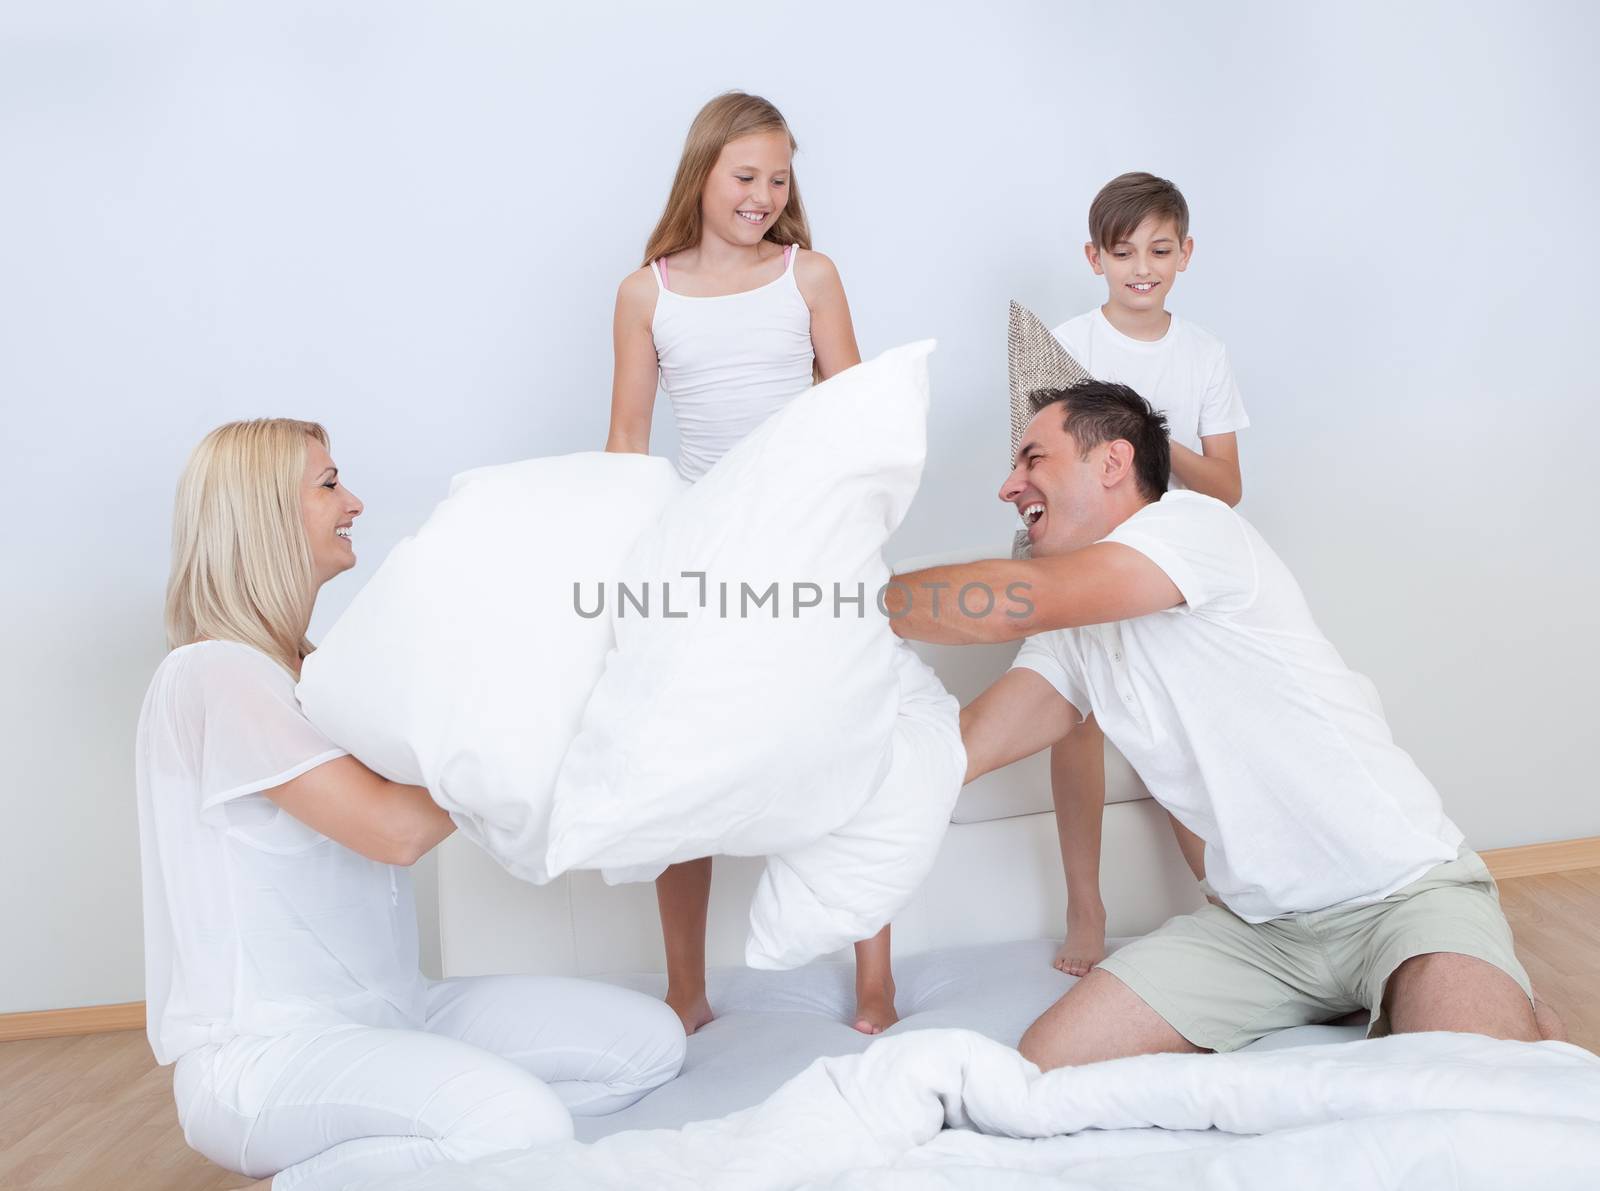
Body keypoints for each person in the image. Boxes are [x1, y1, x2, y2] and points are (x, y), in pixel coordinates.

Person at [886, 382, 1559, 1069]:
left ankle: (1494, 997)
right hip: (1261, 934)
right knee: (1047, 1059)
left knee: (1484, 1078)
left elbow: (1013, 601)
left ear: (1113, 462)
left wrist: (848, 597)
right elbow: (963, 746)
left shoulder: (1193, 528)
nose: (1009, 485)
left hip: (1396, 895)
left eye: (1033, 459)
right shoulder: (1073, 637)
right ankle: (1362, 1000)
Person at [137, 419, 685, 1191]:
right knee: (519, 1123)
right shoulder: (212, 675)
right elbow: (391, 829)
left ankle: (441, 1142)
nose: (353, 500)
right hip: (267, 1056)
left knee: (651, 1043)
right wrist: (538, 720)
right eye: (329, 484)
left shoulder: (317, 672)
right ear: (262, 511)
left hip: (401, 1012)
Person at [605, 91, 896, 1036]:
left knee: (845, 734)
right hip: (700, 551)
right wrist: (620, 561)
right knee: (683, 755)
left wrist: (852, 534)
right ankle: (684, 988)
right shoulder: (646, 292)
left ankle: (875, 983)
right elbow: (627, 437)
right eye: (746, 176)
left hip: (806, 540)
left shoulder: (808, 276)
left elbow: (853, 417)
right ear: (702, 174)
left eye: (779, 178)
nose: (765, 195)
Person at [1045, 172, 1250, 977]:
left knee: (1188, 717)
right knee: (1077, 719)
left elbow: (1229, 486)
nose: (1142, 267)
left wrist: (1152, 435)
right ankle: (1085, 902)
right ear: (1094, 256)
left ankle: (1224, 892)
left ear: (1186, 254)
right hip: (1089, 558)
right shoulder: (1067, 342)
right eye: (1124, 251)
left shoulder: (1204, 354)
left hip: (1179, 564)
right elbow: (1043, 466)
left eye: (1160, 250)